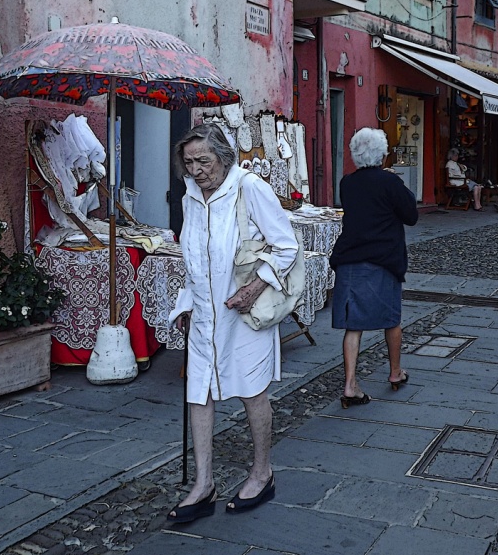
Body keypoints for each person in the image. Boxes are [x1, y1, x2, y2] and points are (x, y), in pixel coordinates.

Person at [167, 123, 299, 523]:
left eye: (203, 161)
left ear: (223, 156)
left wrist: (257, 285)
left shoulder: (249, 187)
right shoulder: (191, 196)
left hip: (244, 314)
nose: (196, 170)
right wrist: (185, 305)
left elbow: (287, 246)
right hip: (205, 315)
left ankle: (263, 473)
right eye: (189, 162)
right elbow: (193, 258)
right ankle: (203, 483)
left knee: (251, 392)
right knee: (199, 393)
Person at [330, 128, 419, 408]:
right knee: (391, 318)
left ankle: (350, 384)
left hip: (350, 259)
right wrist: (398, 184)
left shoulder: (347, 183)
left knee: (353, 325)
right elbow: (411, 216)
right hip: (382, 259)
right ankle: (395, 372)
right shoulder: (389, 183)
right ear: (382, 155)